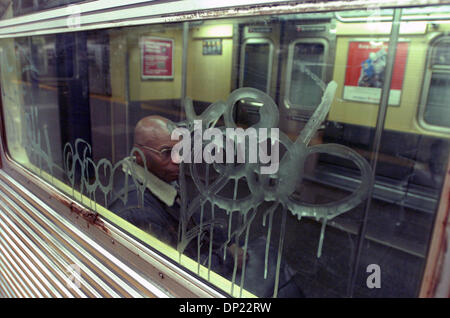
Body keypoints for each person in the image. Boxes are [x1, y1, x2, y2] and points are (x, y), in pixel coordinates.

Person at [108, 115, 304, 297]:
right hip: (190, 282)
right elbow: (174, 275)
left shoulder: (157, 180)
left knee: (266, 254)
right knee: (278, 281)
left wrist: (227, 242)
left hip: (201, 255)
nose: (178, 160)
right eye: (167, 153)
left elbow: (196, 220)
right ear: (139, 154)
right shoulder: (138, 212)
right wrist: (227, 257)